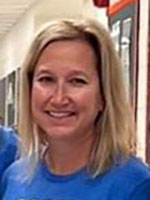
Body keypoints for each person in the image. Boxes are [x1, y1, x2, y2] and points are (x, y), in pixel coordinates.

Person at [1, 18, 150, 200]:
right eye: (47, 79)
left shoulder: (134, 185)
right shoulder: (15, 177)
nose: (59, 98)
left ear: (103, 95)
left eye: (77, 81)